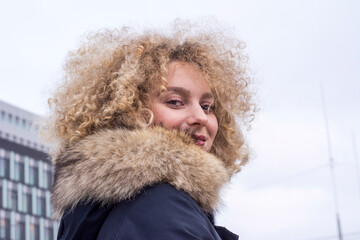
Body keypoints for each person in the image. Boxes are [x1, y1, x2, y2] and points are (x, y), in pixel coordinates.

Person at [45, 20, 255, 240]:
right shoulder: (161, 207)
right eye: (175, 102)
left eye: (207, 106)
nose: (201, 117)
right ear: (128, 113)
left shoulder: (115, 209)